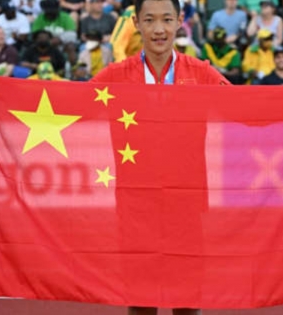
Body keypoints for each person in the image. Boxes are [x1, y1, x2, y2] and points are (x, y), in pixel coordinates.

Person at [91, 0, 229, 314]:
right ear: (136, 23)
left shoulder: (200, 72)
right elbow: (65, 103)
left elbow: (248, 106)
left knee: (186, 298)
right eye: (149, 20)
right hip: (136, 203)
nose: (158, 29)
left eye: (166, 20)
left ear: (180, 21)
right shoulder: (116, 76)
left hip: (187, 201)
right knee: (141, 301)